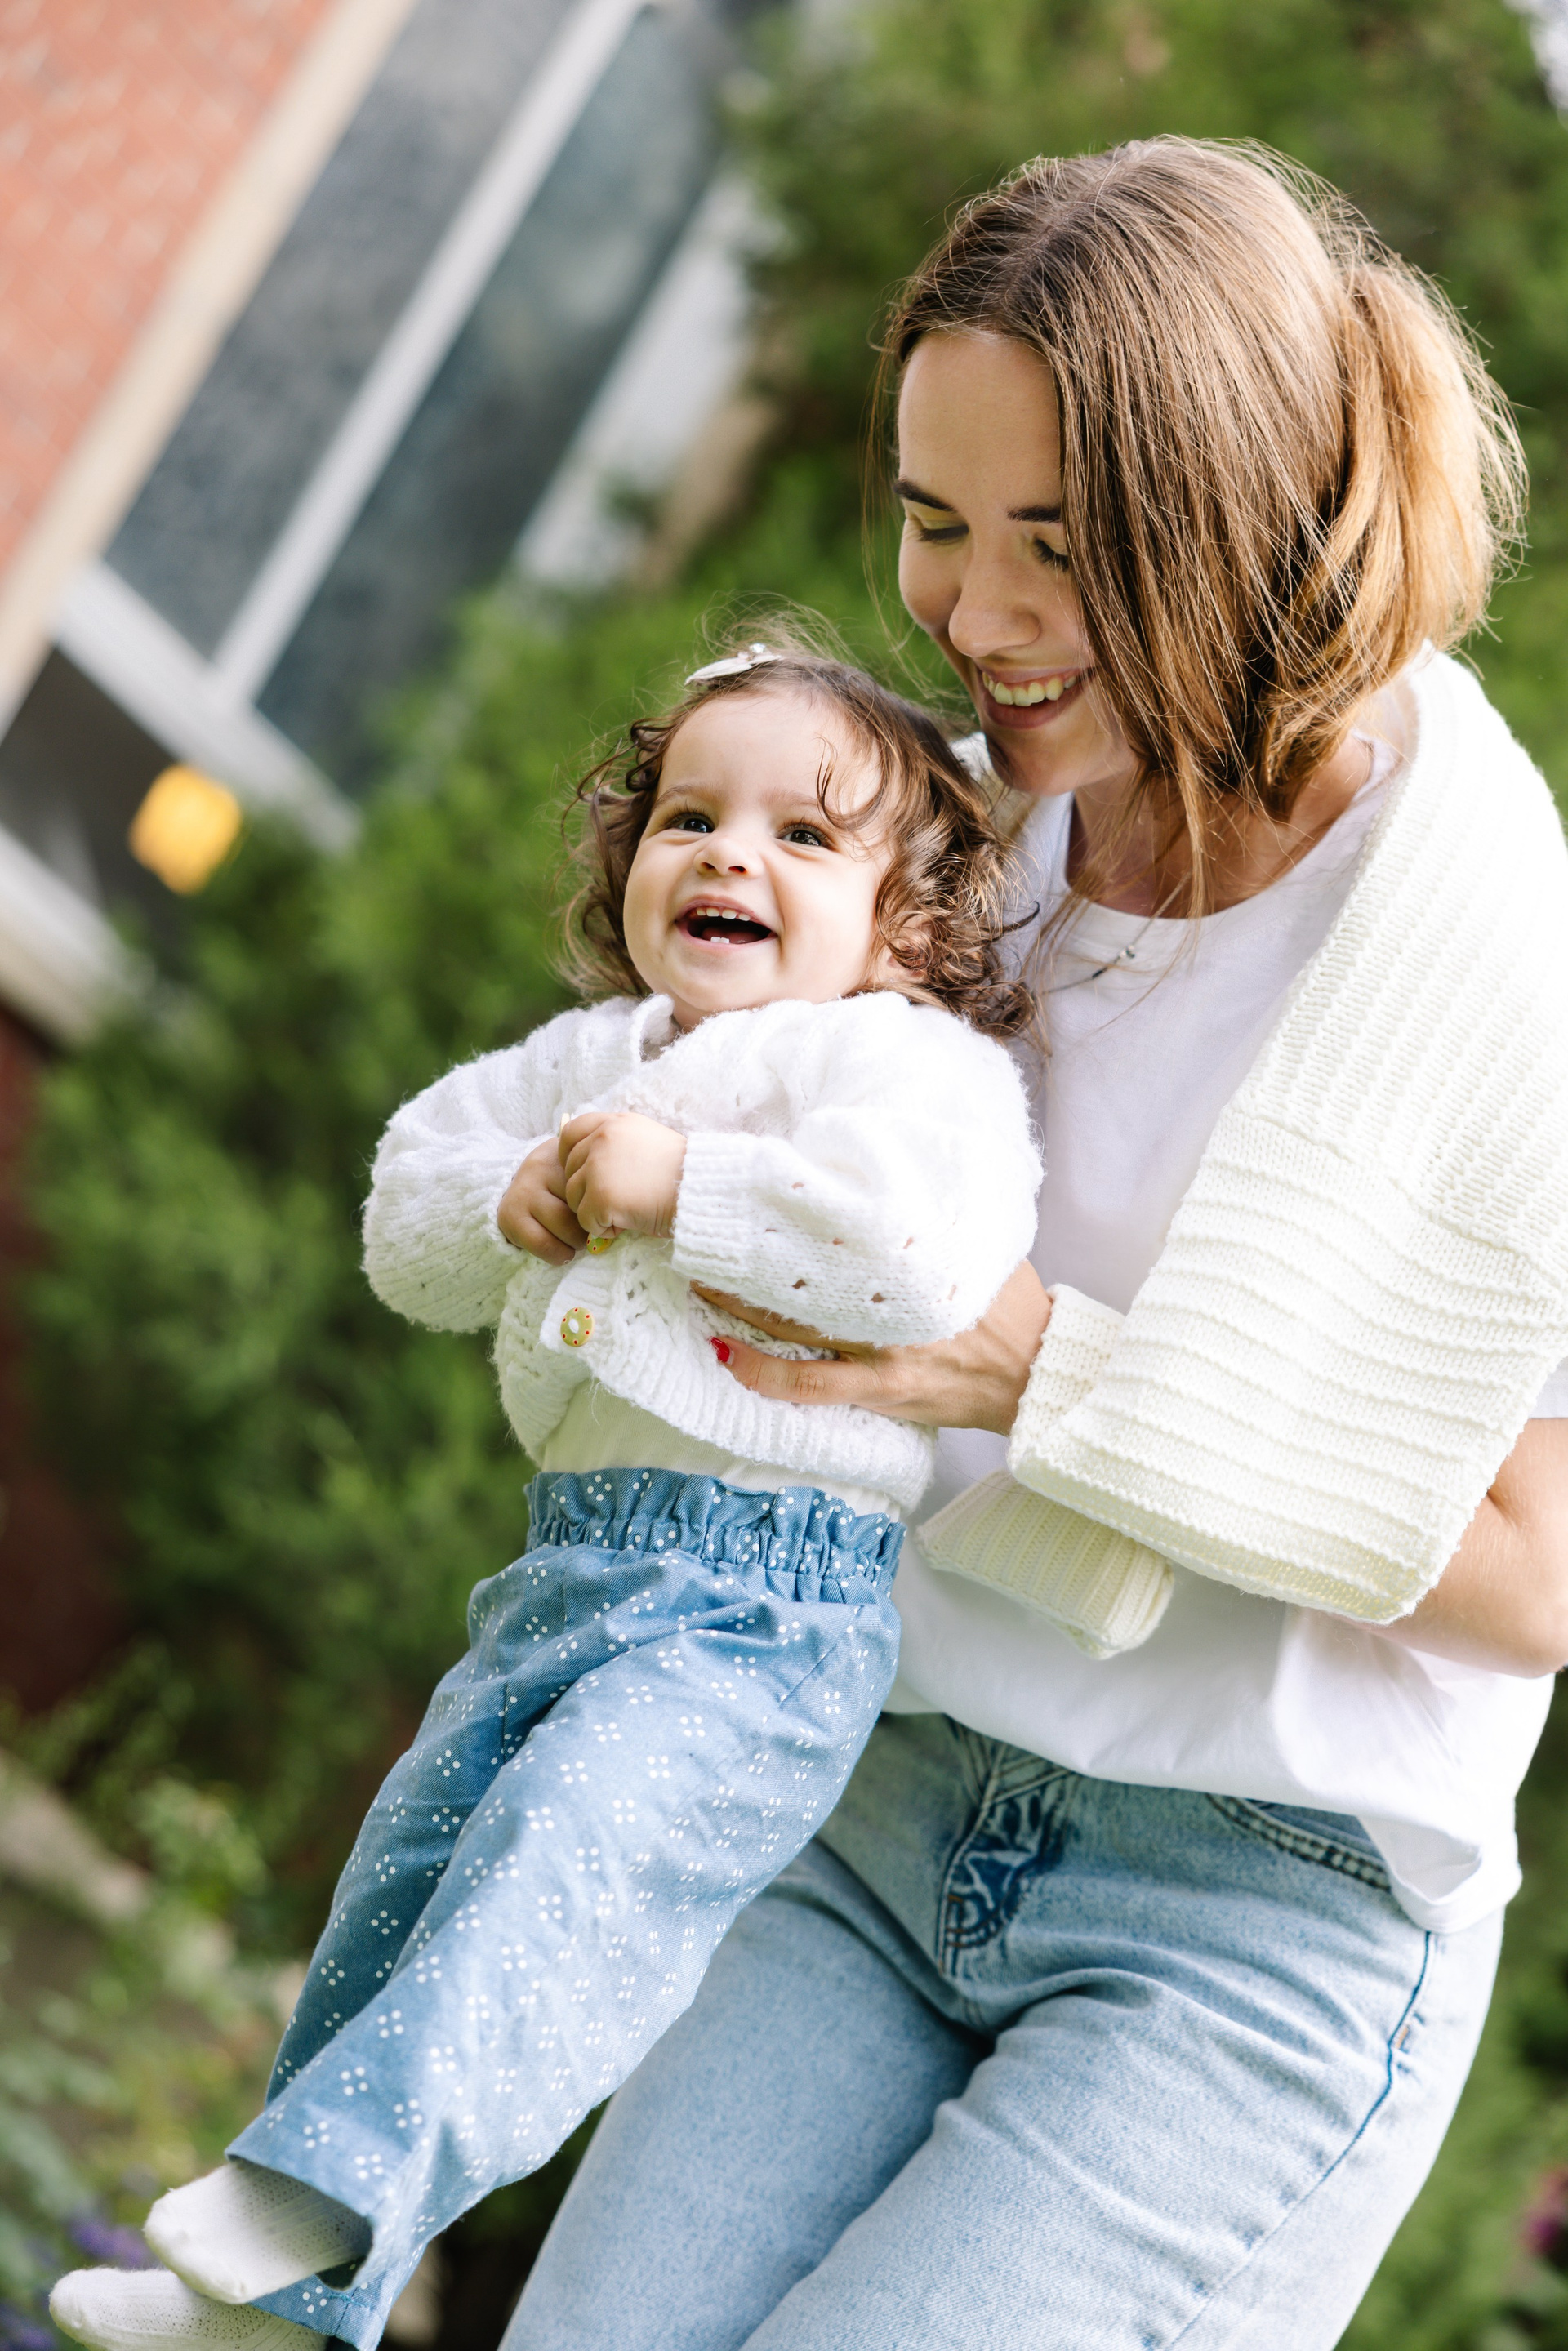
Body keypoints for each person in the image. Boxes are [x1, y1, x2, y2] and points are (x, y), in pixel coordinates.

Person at [498, 140, 1568, 2349]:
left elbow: (1540, 1575)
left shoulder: (1495, 956)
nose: (972, 616)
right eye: (934, 521)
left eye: (1058, 548)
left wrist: (1041, 1371)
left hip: (1247, 1920)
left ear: (1242, 515)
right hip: (877, 1773)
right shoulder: (968, 836)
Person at [49, 641, 1042, 2351]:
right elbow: (403, 1218)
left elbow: (920, 1261)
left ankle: (320, 2201)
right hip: (568, 1573)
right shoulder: (594, 1054)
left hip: (763, 1613)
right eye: (690, 817)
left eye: (805, 836)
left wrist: (689, 1188)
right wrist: (512, 1191)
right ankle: (281, 2305)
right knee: (411, 1873)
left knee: (556, 1877)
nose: (730, 855)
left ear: (908, 927)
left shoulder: (906, 1070)